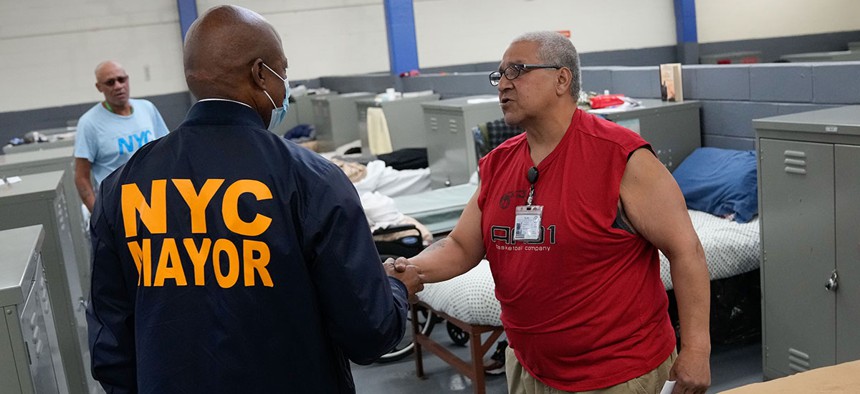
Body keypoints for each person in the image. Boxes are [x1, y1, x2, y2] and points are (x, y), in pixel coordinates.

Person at [86, 5, 422, 393]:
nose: (285, 87)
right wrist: (397, 288)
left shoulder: (121, 187)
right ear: (261, 73)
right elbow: (369, 332)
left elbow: (110, 346)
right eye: (283, 72)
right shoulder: (311, 180)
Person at [399, 31, 711, 393]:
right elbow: (460, 245)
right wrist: (408, 270)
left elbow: (687, 251)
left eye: (516, 70)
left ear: (562, 79)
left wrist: (697, 350)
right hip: (529, 369)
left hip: (617, 375)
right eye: (499, 74)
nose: (503, 84)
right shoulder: (498, 164)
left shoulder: (621, 156)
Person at [74, 60, 170, 213]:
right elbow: (81, 177)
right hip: (120, 209)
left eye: (121, 79)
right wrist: (99, 216)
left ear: (127, 79)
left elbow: (167, 152)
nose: (118, 86)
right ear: (99, 87)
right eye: (110, 82)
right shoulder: (89, 123)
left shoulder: (147, 108)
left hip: (159, 201)